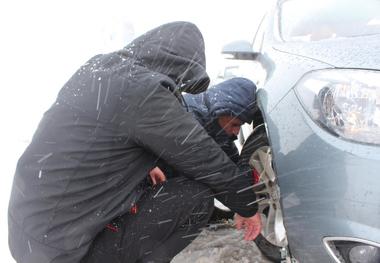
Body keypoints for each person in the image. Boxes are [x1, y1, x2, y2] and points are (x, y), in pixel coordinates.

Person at [8, 21, 261, 263]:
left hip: (28, 238)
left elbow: (84, 138)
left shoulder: (99, 69)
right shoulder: (144, 91)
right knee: (195, 199)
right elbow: (204, 158)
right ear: (177, 63)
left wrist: (143, 163)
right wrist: (248, 207)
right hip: (65, 255)